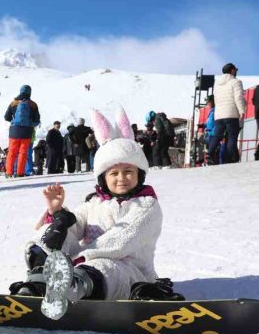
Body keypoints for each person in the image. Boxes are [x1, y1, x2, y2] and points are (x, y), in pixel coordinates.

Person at [9, 107, 166, 320]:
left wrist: (79, 260)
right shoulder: (95, 202)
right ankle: (37, 284)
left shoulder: (146, 205)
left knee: (104, 267)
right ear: (103, 178)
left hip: (130, 271)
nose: (122, 178)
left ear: (139, 174)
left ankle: (70, 287)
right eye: (114, 173)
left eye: (129, 172)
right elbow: (76, 222)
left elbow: (121, 241)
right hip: (82, 263)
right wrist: (57, 217)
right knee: (57, 232)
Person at [211, 63, 246, 164]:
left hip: (219, 115)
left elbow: (216, 99)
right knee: (232, 136)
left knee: (217, 135)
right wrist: (241, 111)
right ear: (232, 70)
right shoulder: (236, 82)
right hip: (231, 114)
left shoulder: (217, 83)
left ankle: (210, 153)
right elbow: (238, 98)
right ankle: (230, 159)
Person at [3, 85, 41, 177]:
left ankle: (9, 172)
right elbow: (37, 121)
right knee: (23, 152)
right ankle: (20, 173)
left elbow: (6, 117)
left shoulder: (14, 103)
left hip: (14, 130)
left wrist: (14, 121)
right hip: (27, 131)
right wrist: (30, 124)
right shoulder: (33, 104)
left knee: (12, 151)